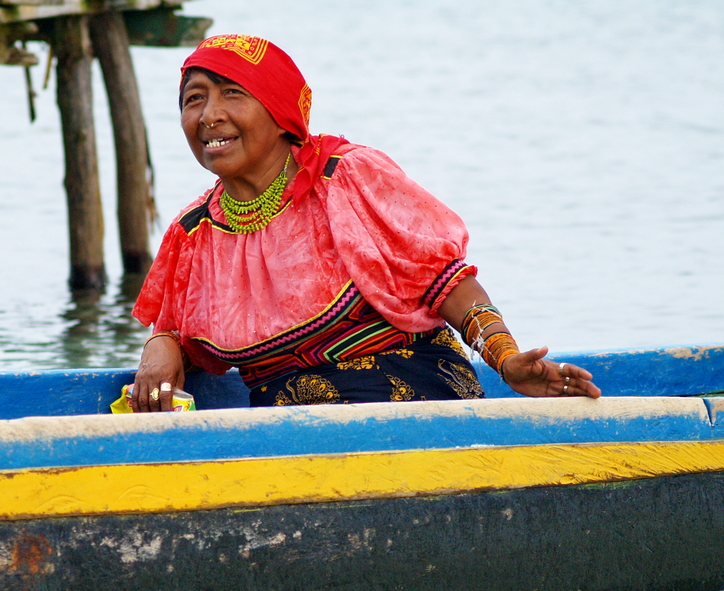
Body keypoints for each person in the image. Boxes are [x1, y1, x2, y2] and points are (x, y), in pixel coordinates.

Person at [130, 34, 600, 412]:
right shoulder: (194, 233)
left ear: (280, 114)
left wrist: (506, 359)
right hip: (284, 428)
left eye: (232, 94)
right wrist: (161, 347)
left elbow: (443, 281)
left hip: (413, 401)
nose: (210, 115)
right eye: (194, 99)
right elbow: (179, 324)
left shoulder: (346, 179)